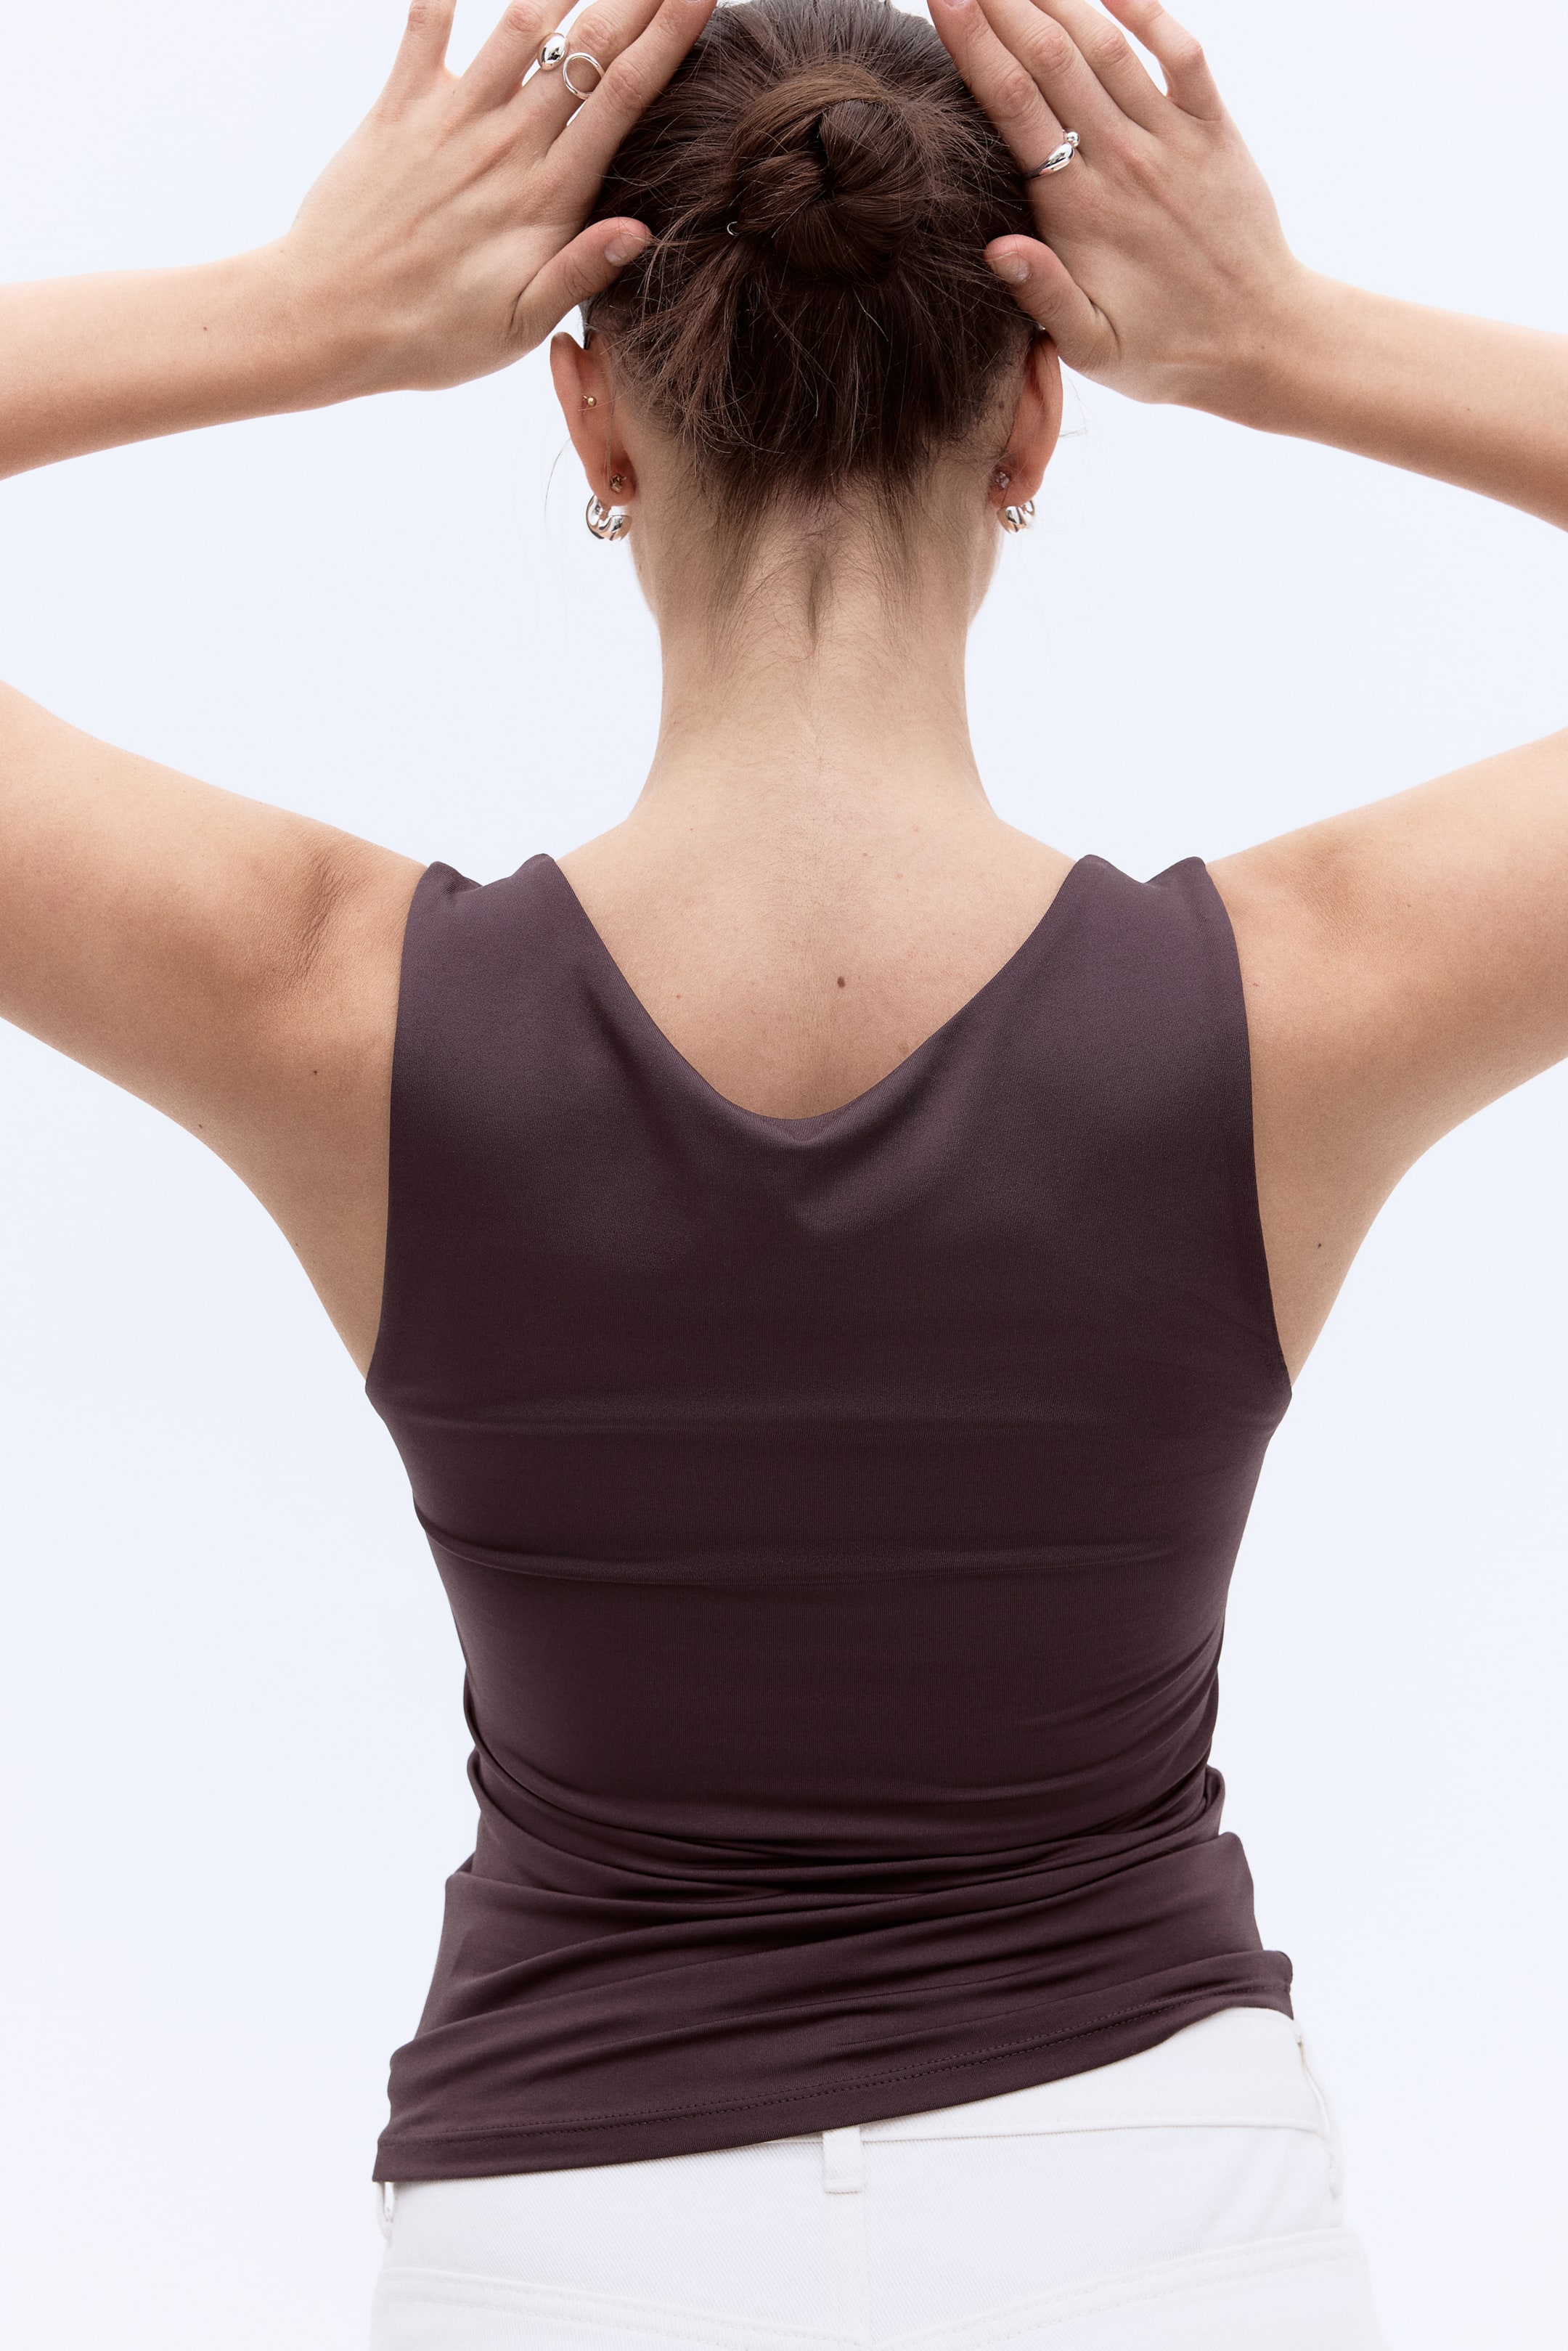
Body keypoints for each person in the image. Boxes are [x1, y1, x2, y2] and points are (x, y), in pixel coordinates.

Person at [2, 0, 1564, 2341]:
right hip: (1162, 2226)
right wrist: (1288, 341)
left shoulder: (334, 1002)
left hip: (564, 2249)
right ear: (1034, 421)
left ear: (590, 413)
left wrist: (300, 314)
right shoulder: (1302, 1000)